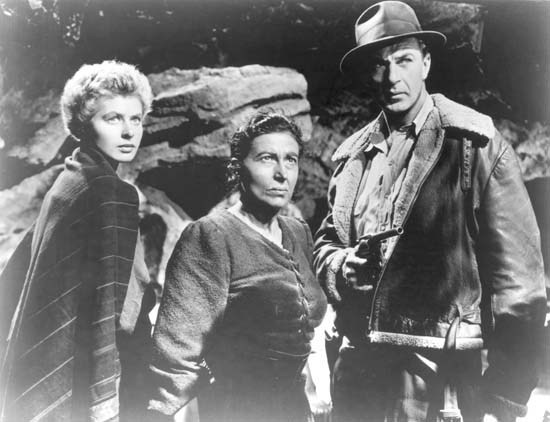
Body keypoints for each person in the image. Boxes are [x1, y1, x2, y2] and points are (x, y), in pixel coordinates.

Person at [313, 2, 547, 422]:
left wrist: (505, 395)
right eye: (379, 65)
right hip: (357, 377)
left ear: (426, 62)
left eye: (403, 60)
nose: (392, 77)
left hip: (439, 382)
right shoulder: (352, 158)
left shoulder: (474, 144)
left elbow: (521, 288)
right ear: (367, 74)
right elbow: (325, 243)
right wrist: (342, 265)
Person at [0, 60, 158, 422]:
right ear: (84, 125)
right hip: (91, 369)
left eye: (136, 119)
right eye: (113, 118)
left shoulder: (68, 179)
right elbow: (121, 310)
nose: (128, 132)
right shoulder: (110, 192)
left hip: (48, 363)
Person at [147, 111, 330, 422]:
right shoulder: (211, 236)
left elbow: (305, 328)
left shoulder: (298, 232)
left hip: (294, 408)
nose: (281, 173)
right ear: (237, 169)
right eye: (267, 158)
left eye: (291, 160)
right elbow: (175, 353)